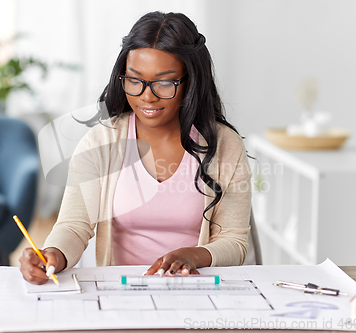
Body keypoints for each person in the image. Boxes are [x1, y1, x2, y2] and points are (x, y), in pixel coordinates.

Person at [19, 11, 252, 285]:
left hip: (198, 289)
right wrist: (52, 255)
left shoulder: (224, 146)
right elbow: (74, 225)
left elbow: (234, 242)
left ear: (191, 82)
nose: (147, 96)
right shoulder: (101, 143)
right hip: (123, 290)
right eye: (135, 80)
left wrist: (195, 255)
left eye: (165, 82)